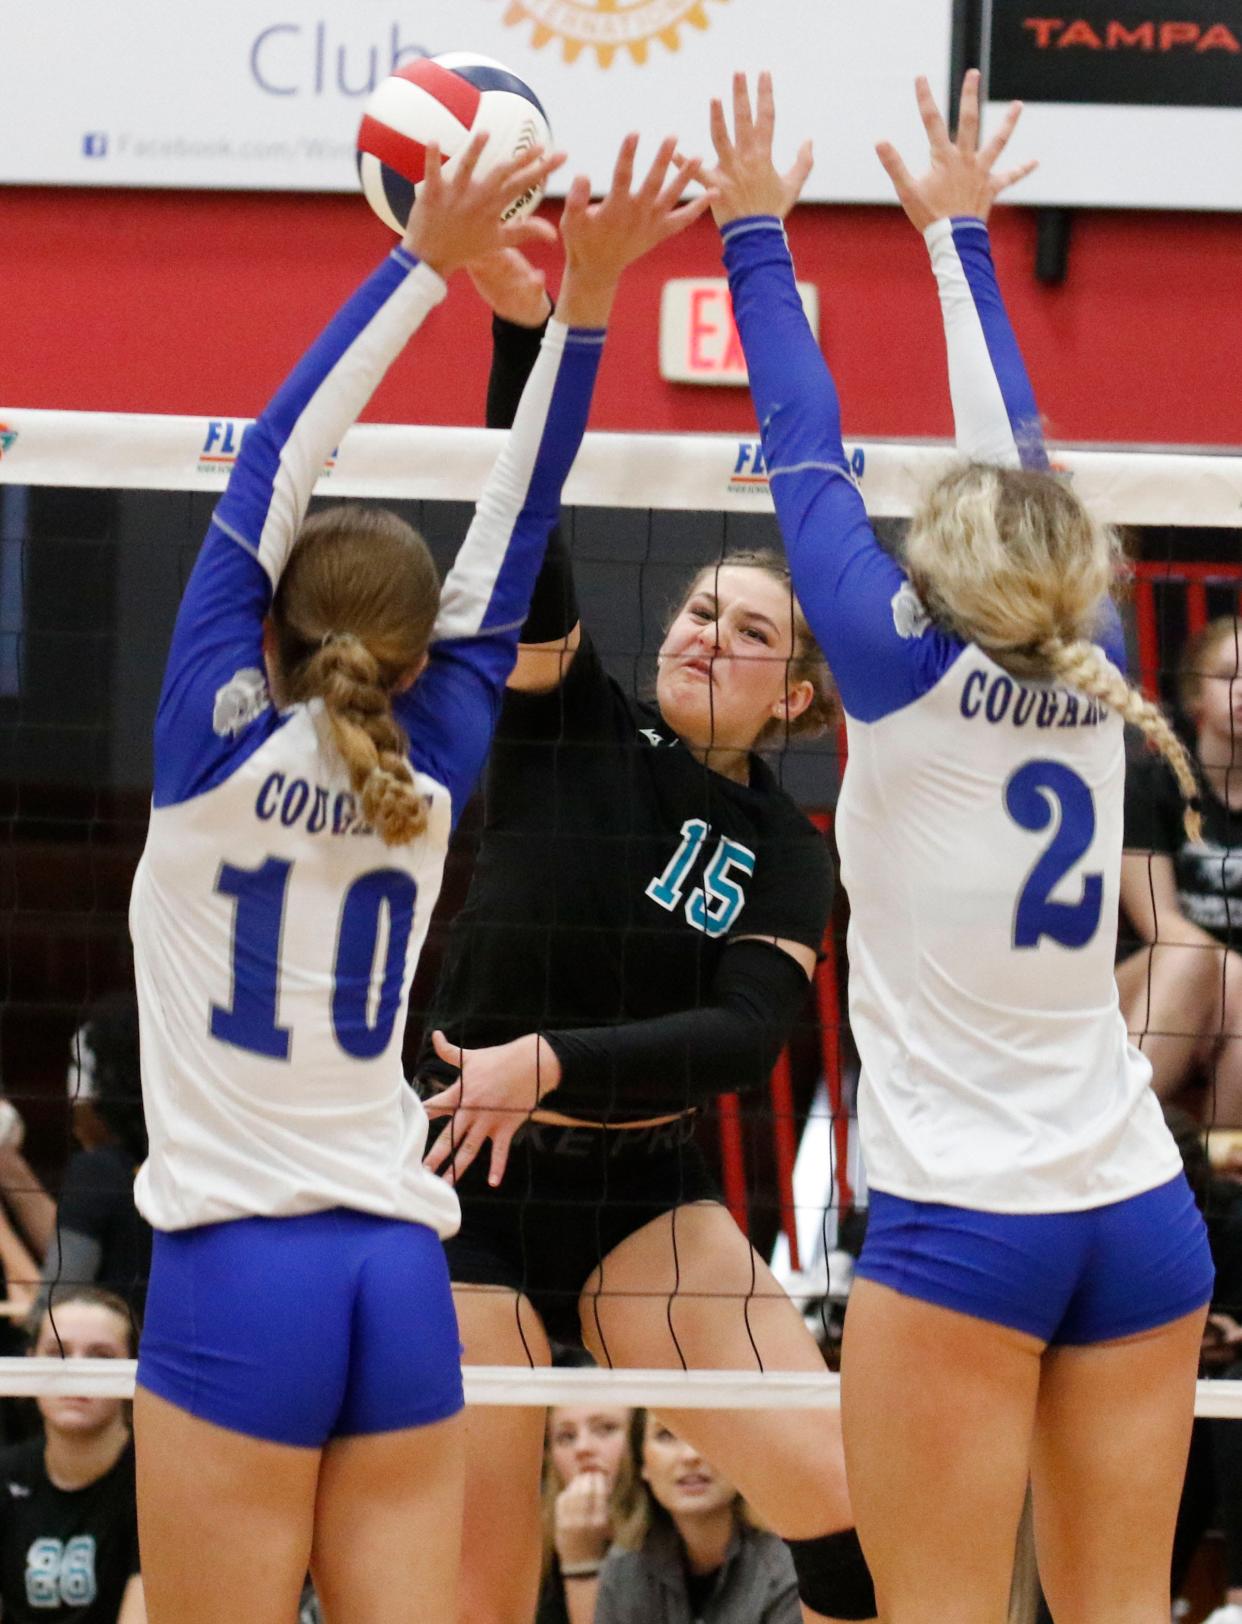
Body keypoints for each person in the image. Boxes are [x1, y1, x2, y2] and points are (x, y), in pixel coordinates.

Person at [127, 129, 709, 1624]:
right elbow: (516, 517)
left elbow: (271, 455)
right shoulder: (440, 756)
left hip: (238, 1267)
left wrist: (416, 262)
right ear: (408, 645)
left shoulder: (209, 746)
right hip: (397, 1278)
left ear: (271, 626)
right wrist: (579, 312)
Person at [708, 67, 1214, 1624]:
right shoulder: (1093, 649)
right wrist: (961, 240)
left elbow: (801, 441)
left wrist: (749, 237)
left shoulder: (891, 669)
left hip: (964, 1228)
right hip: (1137, 1216)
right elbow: (1023, 459)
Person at [417, 250, 870, 1620]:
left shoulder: (789, 862)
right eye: (695, 612)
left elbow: (742, 1038)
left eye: (745, 632)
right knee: (478, 1593)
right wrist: (522, 325)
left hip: (638, 1198)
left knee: (858, 1518)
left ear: (794, 697)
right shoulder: (575, 717)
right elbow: (526, 517)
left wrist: (545, 1060)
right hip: (454, 1183)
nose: (703, 636)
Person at [1119, 616, 1242, 1121]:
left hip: (1234, 1013)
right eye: (1228, 675)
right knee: (1190, 953)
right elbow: (1159, 923)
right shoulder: (1153, 782)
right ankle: (1108, 1137)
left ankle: (1221, 1185)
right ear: (1194, 696)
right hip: (1161, 982)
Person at [0, 1287, 144, 1622]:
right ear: (29, 1361)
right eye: (56, 1353)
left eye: (101, 1357)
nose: (75, 1371)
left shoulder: (156, 1482)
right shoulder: (6, 1474)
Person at [594, 1413, 801, 1624]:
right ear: (642, 1462)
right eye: (666, 1434)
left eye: (710, 1433)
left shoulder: (787, 1569)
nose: (690, 1455)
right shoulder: (625, 1568)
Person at [536, 1390, 645, 1624]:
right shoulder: (533, 1545)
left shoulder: (669, 1534)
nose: (583, 1448)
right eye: (566, 1437)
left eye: (605, 1429)